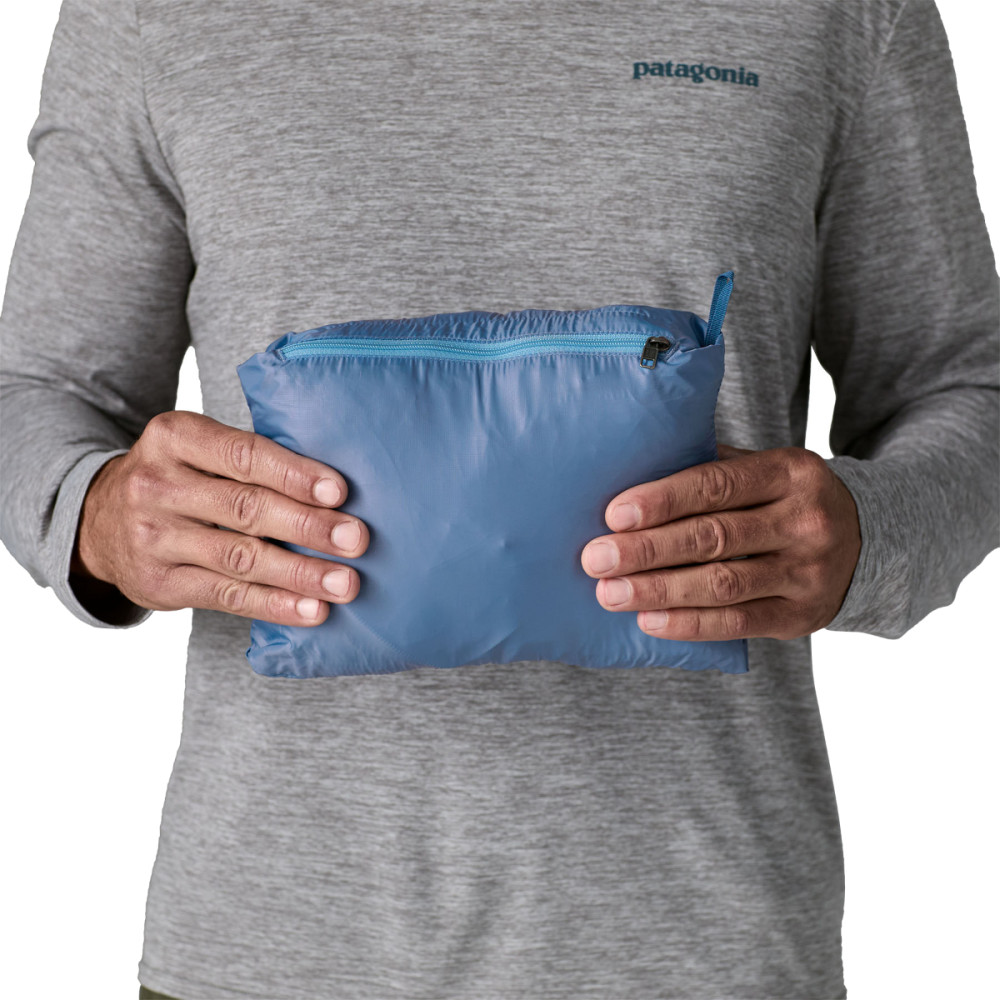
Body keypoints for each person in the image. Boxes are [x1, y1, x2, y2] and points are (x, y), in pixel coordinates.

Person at [1, 1, 997, 998]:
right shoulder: (147, 14)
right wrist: (95, 510)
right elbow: (33, 390)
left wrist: (869, 533)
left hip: (709, 946)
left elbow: (966, 384)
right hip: (267, 951)